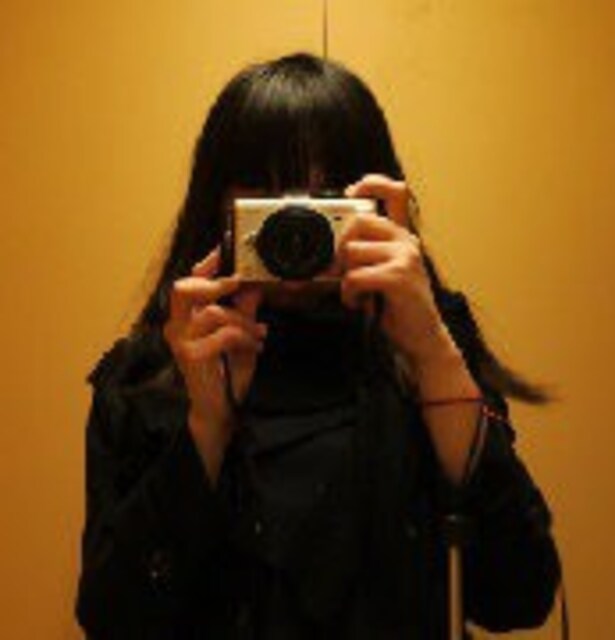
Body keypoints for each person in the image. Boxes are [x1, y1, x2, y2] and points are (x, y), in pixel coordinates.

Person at [75, 52, 561, 639]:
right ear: (221, 207)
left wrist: (434, 353)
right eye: (269, 194)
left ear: (376, 208)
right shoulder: (153, 373)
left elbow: (519, 596)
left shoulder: (423, 349)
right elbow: (114, 622)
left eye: (323, 195)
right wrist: (206, 425)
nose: (297, 222)